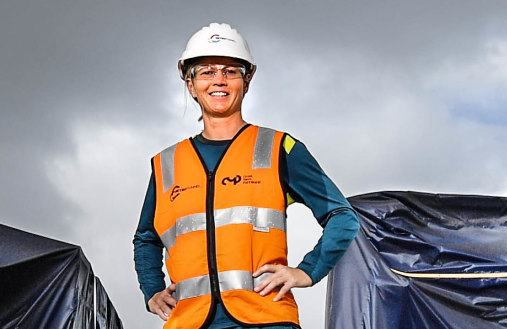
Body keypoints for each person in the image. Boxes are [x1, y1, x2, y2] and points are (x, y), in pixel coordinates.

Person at [133, 23, 359, 329]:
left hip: (266, 320)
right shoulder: (166, 164)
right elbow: (146, 237)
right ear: (191, 84)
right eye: (207, 72)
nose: (219, 81)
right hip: (189, 322)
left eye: (230, 71)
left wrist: (306, 272)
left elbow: (343, 217)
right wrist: (152, 290)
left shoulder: (280, 148)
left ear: (246, 80)